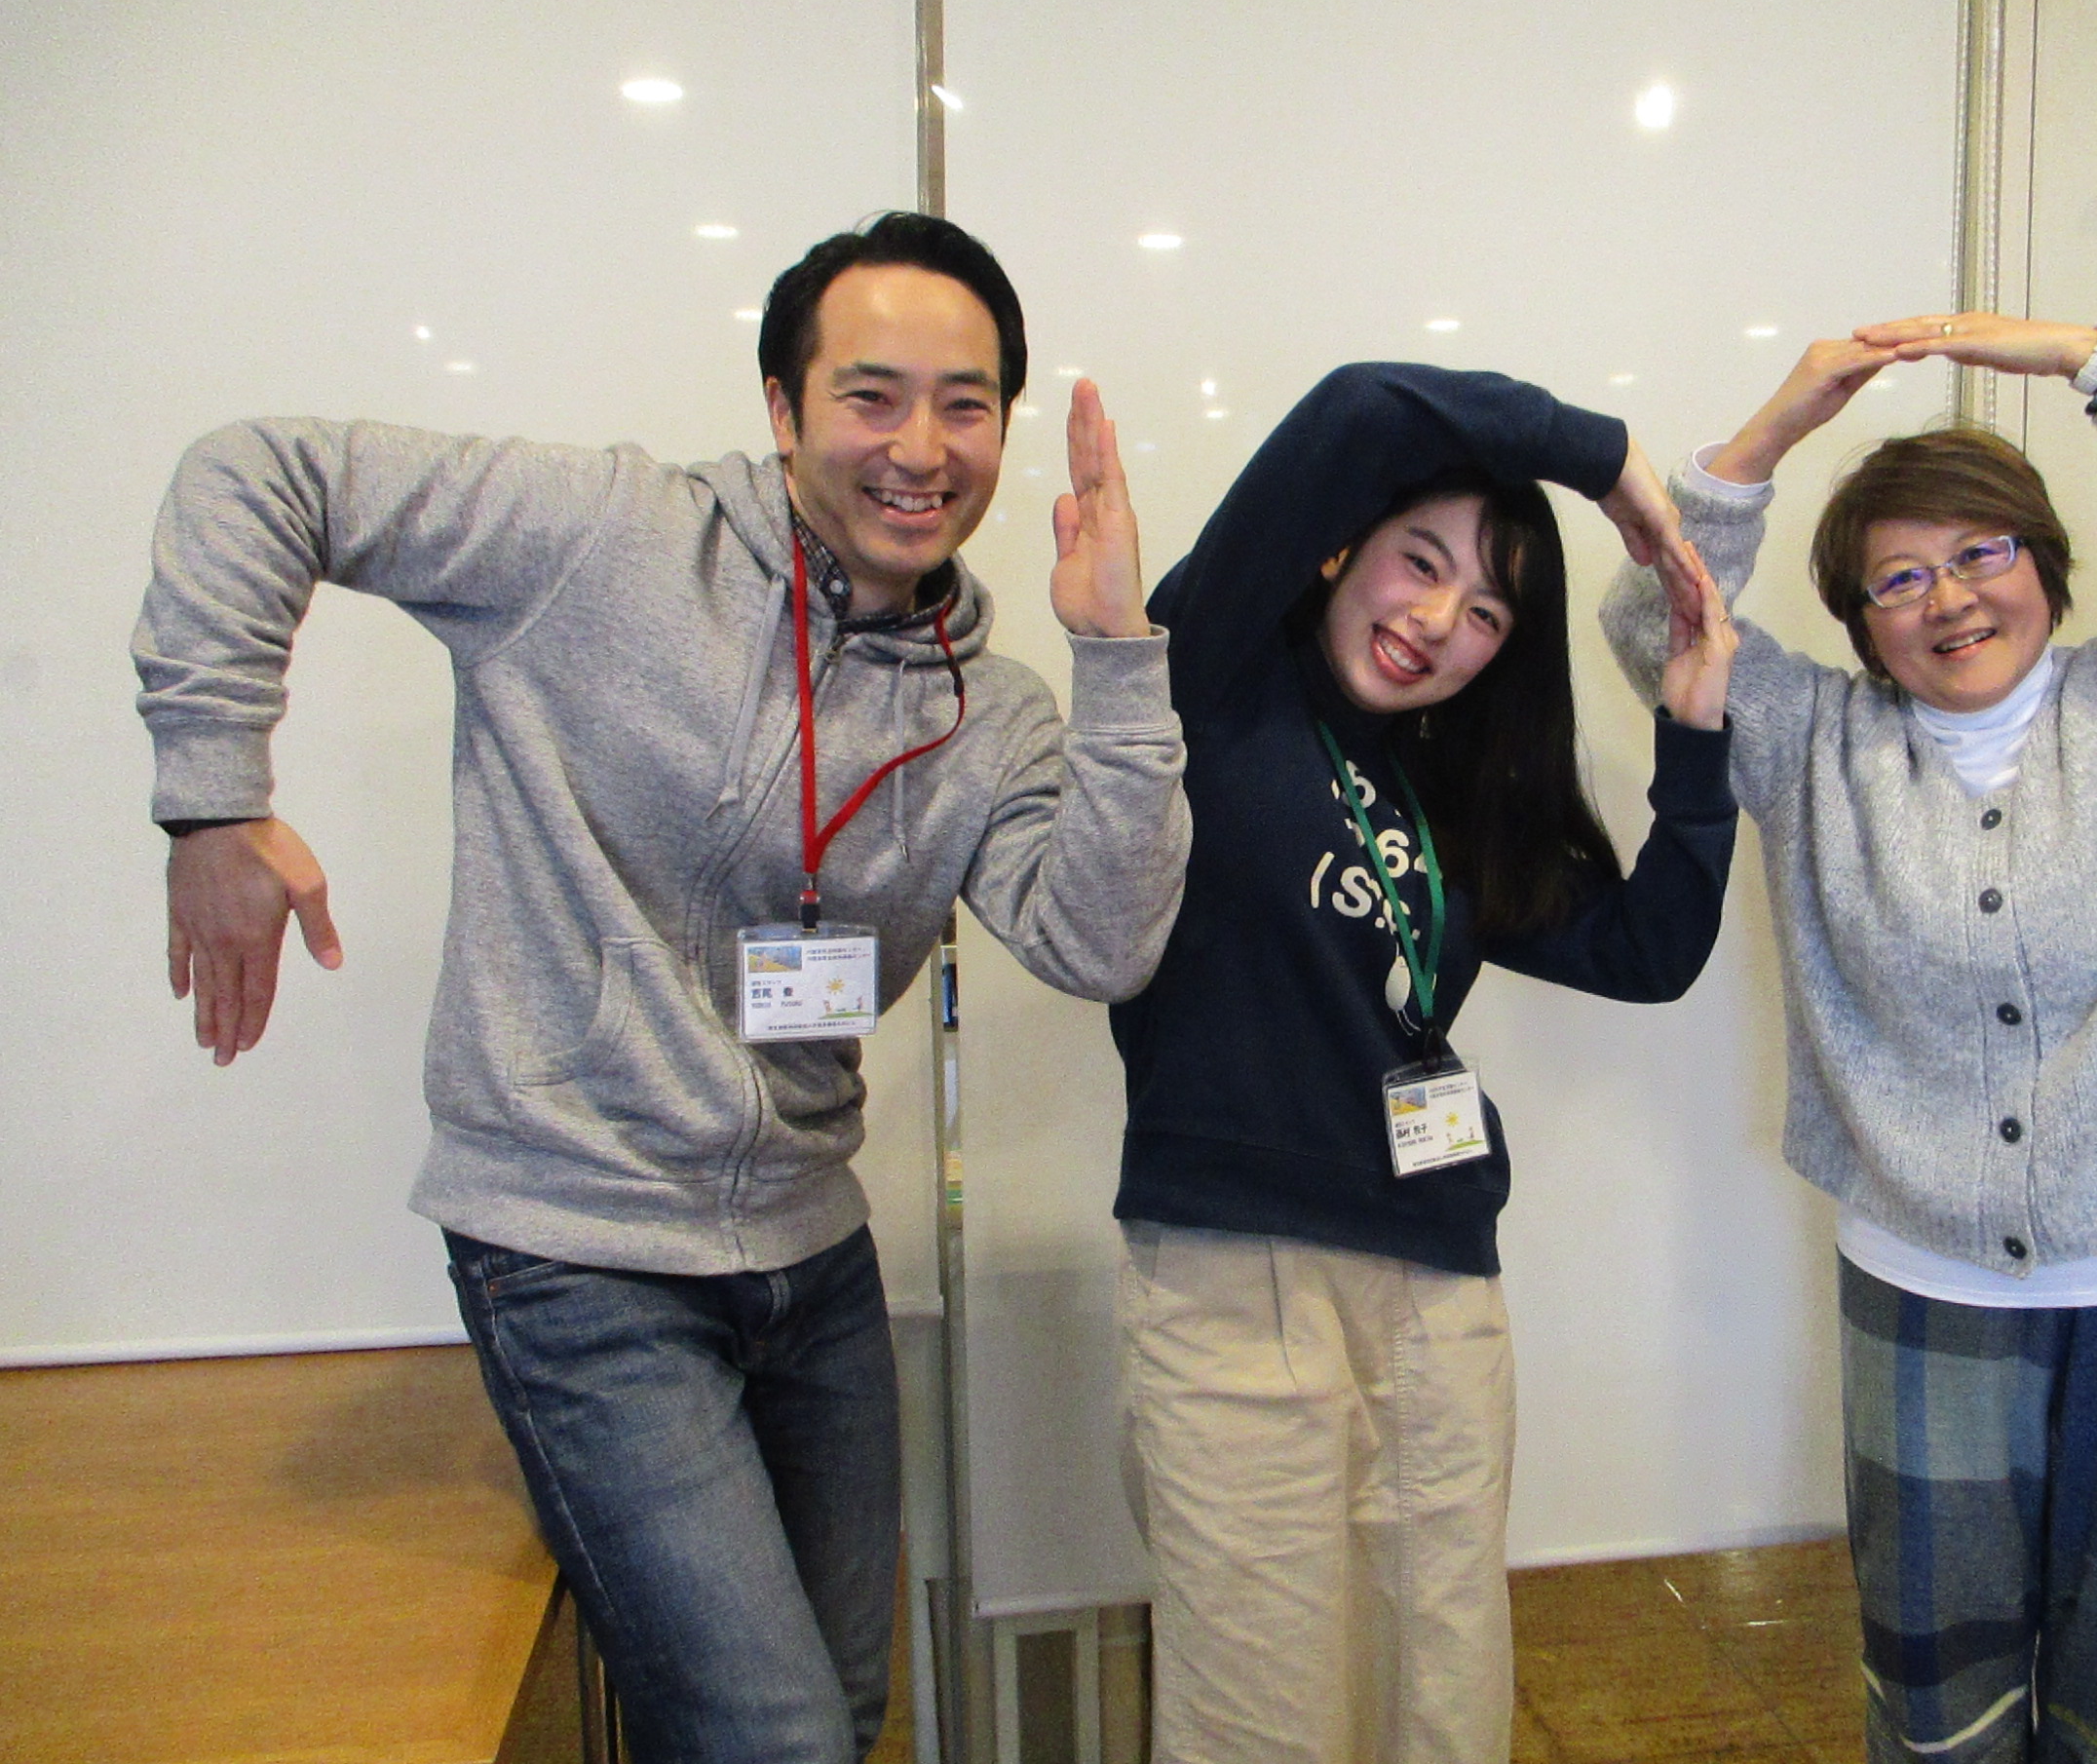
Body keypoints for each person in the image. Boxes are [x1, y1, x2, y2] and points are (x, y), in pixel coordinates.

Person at [132, 211, 1189, 1764]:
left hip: (814, 1259)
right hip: (579, 1256)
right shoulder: (607, 537)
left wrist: (1118, 655)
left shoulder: (997, 708)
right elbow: (259, 472)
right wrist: (213, 799)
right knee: (775, 1740)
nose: (920, 447)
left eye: (965, 405)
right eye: (871, 395)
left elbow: (1104, 944)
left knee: (840, 1716)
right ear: (782, 407)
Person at [1602, 313, 2097, 1764]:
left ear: (2043, 565)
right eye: (1897, 577)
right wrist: (1774, 429)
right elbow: (1653, 620)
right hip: (1928, 1283)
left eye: (1979, 552)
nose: (1946, 598)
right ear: (1858, 619)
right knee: (1937, 1685)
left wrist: (2085, 356)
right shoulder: (1810, 744)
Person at [1109, 361, 1741, 1763]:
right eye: (1422, 561)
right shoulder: (1213, 671)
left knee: (1439, 1709)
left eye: (1489, 611)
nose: (1440, 622)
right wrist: (1609, 464)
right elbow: (1363, 408)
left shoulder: (1445, 787)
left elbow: (1649, 951)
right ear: (1342, 545)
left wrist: (1695, 738)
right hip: (1237, 1279)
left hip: (1441, 1285)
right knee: (1261, 1720)